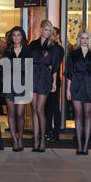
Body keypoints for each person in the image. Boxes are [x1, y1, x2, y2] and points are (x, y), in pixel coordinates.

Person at [65, 30, 91, 155]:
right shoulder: (73, 54)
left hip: (90, 86)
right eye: (83, 38)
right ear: (79, 39)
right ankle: (79, 145)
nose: (85, 40)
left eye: (87, 38)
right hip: (76, 85)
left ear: (89, 39)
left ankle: (86, 146)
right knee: (78, 115)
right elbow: (69, 73)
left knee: (88, 115)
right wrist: (68, 89)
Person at [28, 20, 61, 152]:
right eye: (45, 29)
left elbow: (55, 66)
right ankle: (35, 140)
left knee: (40, 109)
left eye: (49, 30)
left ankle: (42, 140)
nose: (47, 32)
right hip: (33, 77)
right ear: (41, 29)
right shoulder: (33, 44)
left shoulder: (53, 46)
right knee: (34, 110)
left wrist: (53, 83)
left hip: (45, 78)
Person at [3, 26, 32, 152]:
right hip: (9, 83)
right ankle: (14, 140)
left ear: (22, 37)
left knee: (20, 114)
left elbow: (30, 70)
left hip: (23, 83)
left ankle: (20, 138)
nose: (16, 37)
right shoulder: (6, 51)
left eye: (18, 35)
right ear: (11, 37)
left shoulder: (27, 51)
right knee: (11, 113)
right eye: (14, 35)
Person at [45, 27, 65, 143]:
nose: (50, 35)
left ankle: (55, 133)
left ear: (57, 35)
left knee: (54, 108)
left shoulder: (58, 49)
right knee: (47, 108)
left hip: (54, 80)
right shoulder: (48, 47)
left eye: (53, 33)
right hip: (45, 79)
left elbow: (55, 65)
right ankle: (47, 131)